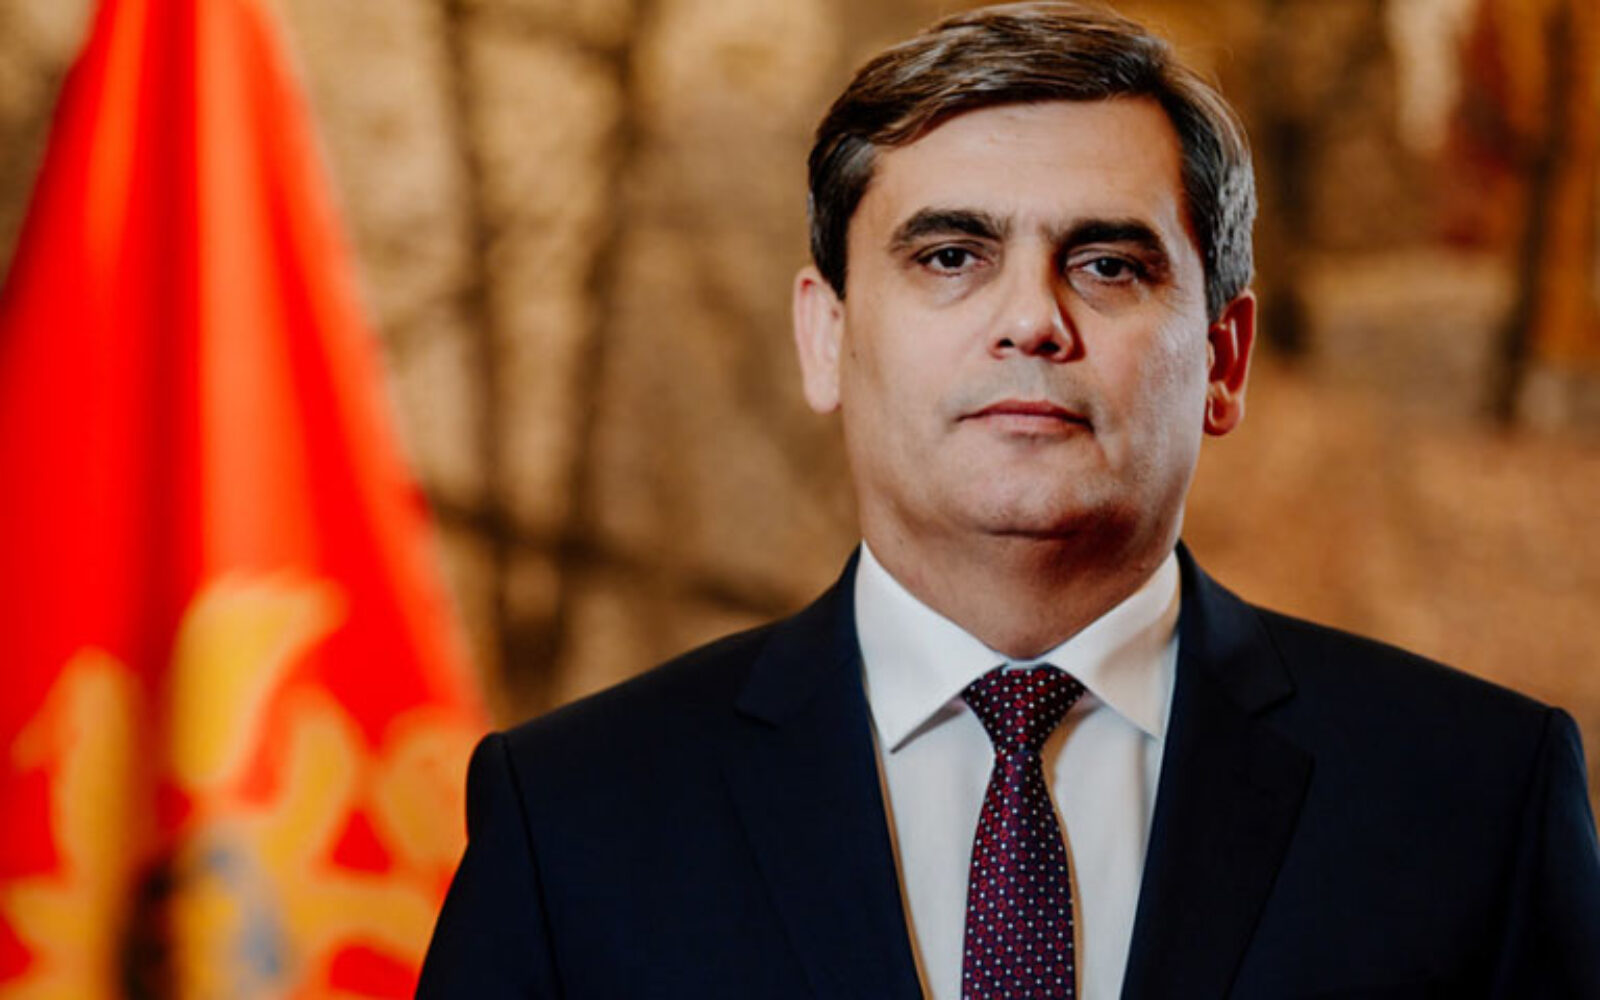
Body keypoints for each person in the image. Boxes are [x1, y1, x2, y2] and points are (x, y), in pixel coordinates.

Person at [417, 3, 1600, 997]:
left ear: (1223, 359)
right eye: (950, 257)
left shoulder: (1475, 799)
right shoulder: (573, 818)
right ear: (825, 339)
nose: (1031, 318)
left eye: (1107, 264)